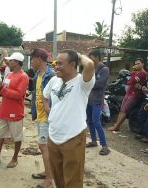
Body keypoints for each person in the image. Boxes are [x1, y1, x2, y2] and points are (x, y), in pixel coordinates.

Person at [43, 49, 95, 188]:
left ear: (73, 65)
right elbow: (45, 96)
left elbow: (89, 65)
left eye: (60, 63)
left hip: (73, 137)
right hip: (53, 136)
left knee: (73, 180)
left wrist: (78, 55)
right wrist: (49, 111)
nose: (56, 66)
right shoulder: (54, 80)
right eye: (56, 63)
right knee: (58, 177)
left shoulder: (82, 83)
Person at [0, 52, 29, 168]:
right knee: (0, 135)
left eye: (11, 61)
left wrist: (2, 89)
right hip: (4, 110)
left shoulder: (23, 77)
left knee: (16, 137)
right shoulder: (8, 75)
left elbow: (19, 94)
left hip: (15, 112)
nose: (8, 62)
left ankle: (15, 158)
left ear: (17, 62)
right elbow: (3, 91)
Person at [29, 48, 56, 188]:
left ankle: (49, 181)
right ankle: (47, 172)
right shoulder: (37, 75)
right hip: (40, 115)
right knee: (44, 146)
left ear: (38, 58)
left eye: (32, 59)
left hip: (47, 116)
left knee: (44, 146)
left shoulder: (51, 75)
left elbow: (56, 97)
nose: (31, 62)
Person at [108, 58, 147, 132]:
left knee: (125, 110)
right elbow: (128, 80)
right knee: (122, 109)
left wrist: (131, 78)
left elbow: (130, 81)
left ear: (143, 64)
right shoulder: (135, 72)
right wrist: (131, 78)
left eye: (138, 64)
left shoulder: (142, 73)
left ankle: (117, 126)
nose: (136, 65)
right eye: (135, 64)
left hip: (134, 94)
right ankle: (117, 124)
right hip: (129, 92)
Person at [85, 49, 110, 155]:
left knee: (96, 121)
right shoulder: (91, 68)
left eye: (91, 57)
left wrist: (87, 82)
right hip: (88, 99)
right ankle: (94, 141)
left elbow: (99, 84)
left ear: (96, 57)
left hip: (97, 100)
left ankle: (105, 146)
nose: (89, 60)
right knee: (89, 121)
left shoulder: (104, 69)